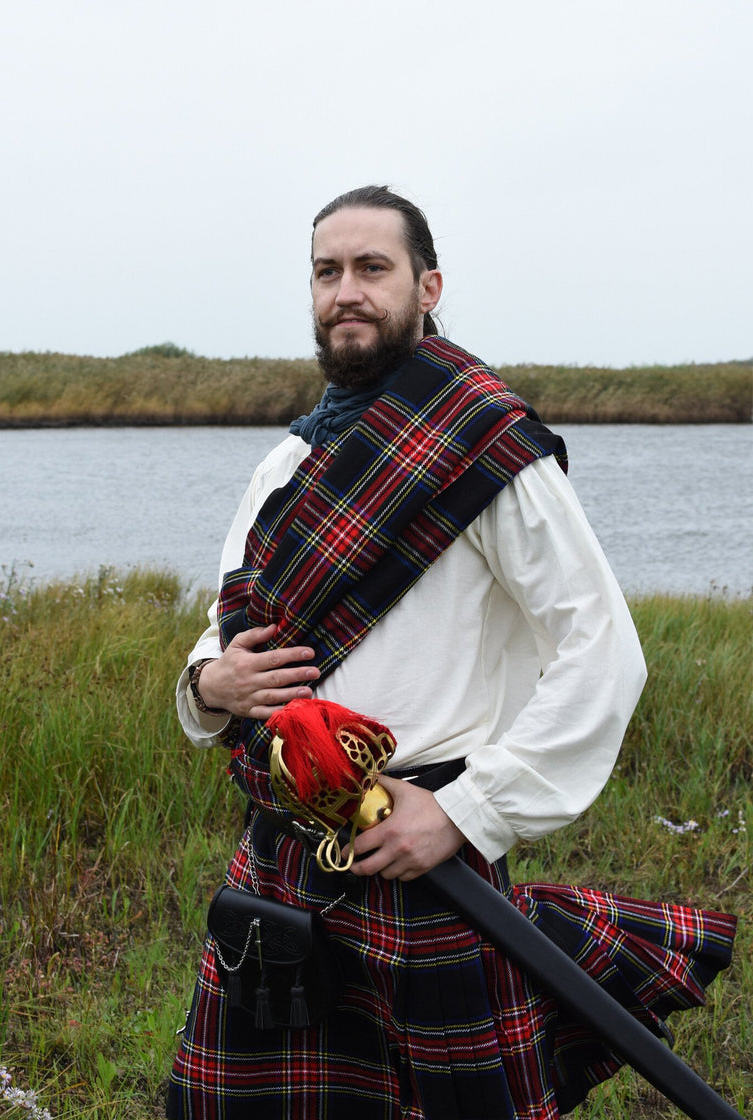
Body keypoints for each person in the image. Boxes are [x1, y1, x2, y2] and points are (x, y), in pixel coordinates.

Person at [166, 186, 736, 1120]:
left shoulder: (491, 452)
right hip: (279, 857)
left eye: (372, 269)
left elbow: (603, 650)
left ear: (428, 286)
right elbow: (222, 639)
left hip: (423, 850)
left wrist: (471, 812)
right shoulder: (286, 465)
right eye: (327, 271)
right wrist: (210, 684)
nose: (346, 291)